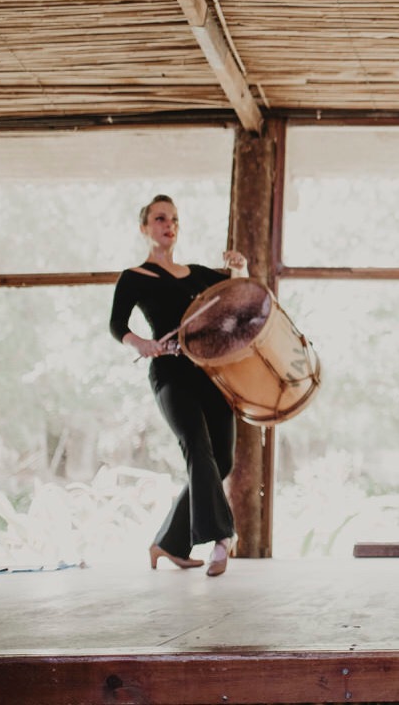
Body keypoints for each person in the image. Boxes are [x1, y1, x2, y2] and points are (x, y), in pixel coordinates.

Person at [109, 194, 245, 577]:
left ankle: (168, 543)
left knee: (222, 460)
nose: (168, 224)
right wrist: (141, 343)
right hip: (170, 374)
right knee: (197, 447)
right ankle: (222, 537)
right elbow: (117, 324)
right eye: (159, 218)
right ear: (144, 228)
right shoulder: (134, 277)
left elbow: (237, 292)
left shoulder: (199, 274)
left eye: (173, 219)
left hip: (210, 373)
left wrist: (241, 267)